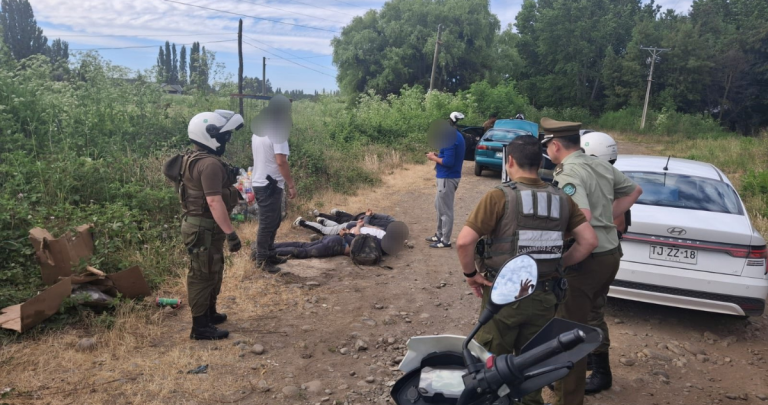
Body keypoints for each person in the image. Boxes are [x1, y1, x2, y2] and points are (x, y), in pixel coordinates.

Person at [456, 135, 598, 405]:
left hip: (505, 297)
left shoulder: (500, 196)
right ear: (540, 161)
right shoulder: (562, 199)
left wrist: (470, 275)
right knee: (532, 368)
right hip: (546, 297)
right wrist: (559, 264)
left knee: (491, 367)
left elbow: (464, 241)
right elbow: (589, 241)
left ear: (510, 161)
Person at [541, 118, 642, 404]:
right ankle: (592, 372)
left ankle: (567, 396)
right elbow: (634, 191)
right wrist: (605, 220)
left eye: (548, 145)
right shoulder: (599, 164)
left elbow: (581, 216)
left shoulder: (568, 173)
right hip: (610, 256)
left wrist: (563, 258)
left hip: (588, 258)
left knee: (568, 330)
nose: (548, 150)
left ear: (556, 145)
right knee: (592, 315)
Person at [177, 110, 245, 340]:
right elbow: (214, 202)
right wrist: (231, 233)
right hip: (203, 226)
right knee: (201, 274)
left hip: (202, 225)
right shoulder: (209, 164)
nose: (226, 140)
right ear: (210, 135)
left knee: (212, 269)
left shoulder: (193, 158)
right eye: (224, 136)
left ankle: (209, 313)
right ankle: (200, 327)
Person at [250, 95, 297, 273]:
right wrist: (291, 184)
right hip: (269, 185)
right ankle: (262, 259)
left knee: (274, 220)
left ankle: (270, 253)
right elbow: (281, 162)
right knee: (267, 223)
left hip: (263, 182)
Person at [425, 112, 466, 248]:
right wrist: (438, 155)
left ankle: (445, 240)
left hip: (447, 177)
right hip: (448, 176)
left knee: (446, 211)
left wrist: (433, 158)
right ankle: (439, 234)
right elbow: (449, 156)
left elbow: (448, 162)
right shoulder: (457, 136)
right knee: (439, 206)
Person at [294, 208, 396, 236]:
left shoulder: (393, 222)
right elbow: (366, 225)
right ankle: (301, 222)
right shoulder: (384, 232)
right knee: (325, 231)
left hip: (356, 221)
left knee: (338, 225)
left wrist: (370, 214)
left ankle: (322, 219)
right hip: (355, 225)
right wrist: (369, 216)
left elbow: (386, 216)